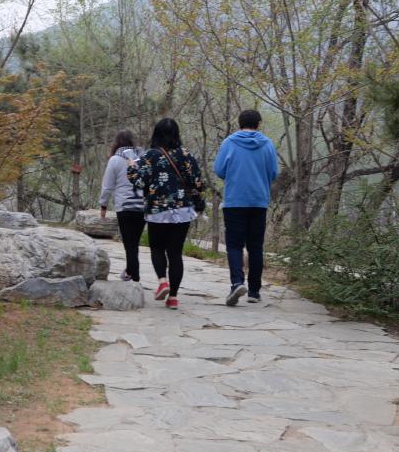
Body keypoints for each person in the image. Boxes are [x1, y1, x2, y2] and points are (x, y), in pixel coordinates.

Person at [128, 118, 207, 310]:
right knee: (175, 253)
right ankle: (173, 297)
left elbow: (138, 181)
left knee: (157, 248)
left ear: (156, 133)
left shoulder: (150, 156)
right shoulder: (186, 155)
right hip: (183, 210)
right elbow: (198, 184)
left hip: (158, 210)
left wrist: (131, 167)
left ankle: (163, 281)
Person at [213, 108, 279, 306]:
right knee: (255, 246)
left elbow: (219, 170)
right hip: (258, 201)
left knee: (234, 245)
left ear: (239, 124)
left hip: (234, 200)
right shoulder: (267, 144)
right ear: (258, 124)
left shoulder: (229, 142)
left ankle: (236, 283)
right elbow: (274, 173)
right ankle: (254, 292)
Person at [98, 130, 144, 283]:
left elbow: (107, 186)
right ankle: (131, 272)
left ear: (116, 143)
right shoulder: (142, 158)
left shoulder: (115, 160)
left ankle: (134, 276)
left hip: (124, 206)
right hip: (142, 206)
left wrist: (103, 205)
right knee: (134, 243)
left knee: (129, 244)